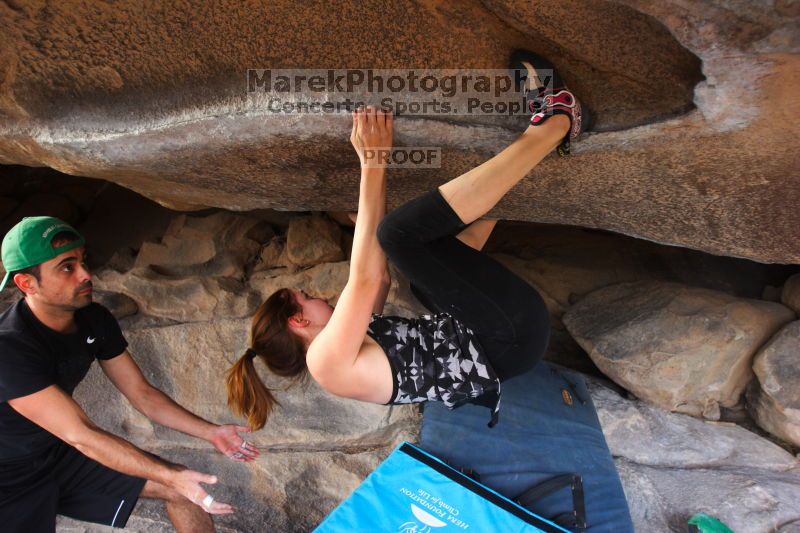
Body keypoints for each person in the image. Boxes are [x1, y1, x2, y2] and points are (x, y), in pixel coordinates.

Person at [227, 52, 588, 430]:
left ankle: (511, 185)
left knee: (419, 277)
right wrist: (372, 160)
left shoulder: (341, 347)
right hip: (508, 338)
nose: (317, 297)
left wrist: (373, 193)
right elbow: (366, 278)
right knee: (399, 236)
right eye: (306, 298)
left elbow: (378, 277)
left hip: (497, 336)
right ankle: (557, 119)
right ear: (298, 321)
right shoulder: (325, 363)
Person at [0, 216, 261, 532]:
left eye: (83, 261)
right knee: (172, 478)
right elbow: (81, 434)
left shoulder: (93, 318)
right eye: (67, 267)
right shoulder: (10, 347)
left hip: (55, 454)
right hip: (9, 476)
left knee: (182, 490)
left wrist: (210, 432)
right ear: (27, 283)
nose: (85, 275)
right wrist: (169, 475)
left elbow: (142, 394)